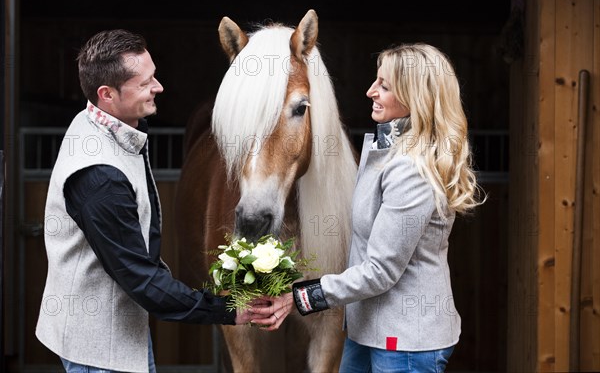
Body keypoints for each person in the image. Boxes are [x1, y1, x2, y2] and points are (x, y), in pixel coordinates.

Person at [35, 29, 271, 373]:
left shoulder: (101, 122)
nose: (158, 87)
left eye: (154, 76)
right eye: (145, 83)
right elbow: (141, 279)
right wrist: (228, 309)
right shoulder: (99, 176)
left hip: (118, 331)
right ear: (107, 94)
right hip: (100, 350)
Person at [254, 43, 486, 372]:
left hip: (405, 341)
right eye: (375, 81)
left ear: (414, 97)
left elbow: (380, 270)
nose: (370, 91)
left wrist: (299, 295)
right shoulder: (383, 149)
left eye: (384, 86)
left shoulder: (411, 169)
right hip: (368, 331)